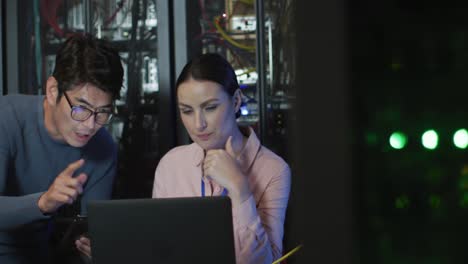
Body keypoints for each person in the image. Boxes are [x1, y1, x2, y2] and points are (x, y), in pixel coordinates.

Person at [152, 53, 291, 264]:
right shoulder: (171, 166)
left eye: (210, 108)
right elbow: (158, 250)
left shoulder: (273, 169)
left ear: (236, 101)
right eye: (187, 111)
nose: (198, 124)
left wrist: (240, 188)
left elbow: (264, 262)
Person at [0, 33, 123, 263]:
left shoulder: (103, 147)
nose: (89, 125)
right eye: (81, 109)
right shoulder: (7, 117)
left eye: (103, 112)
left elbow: (91, 234)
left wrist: (94, 249)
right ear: (53, 90)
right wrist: (43, 202)